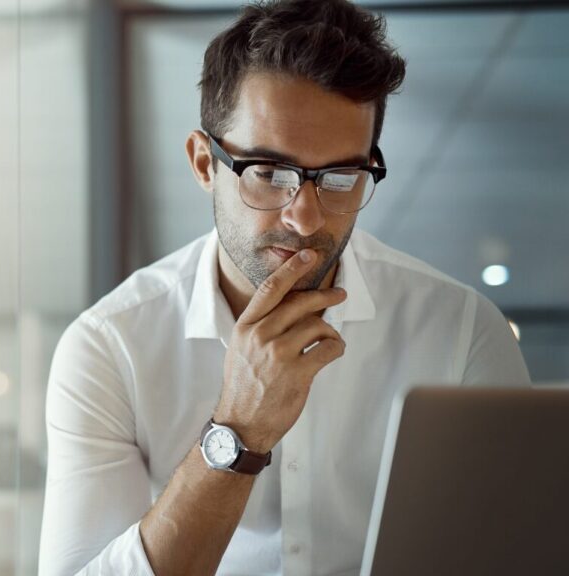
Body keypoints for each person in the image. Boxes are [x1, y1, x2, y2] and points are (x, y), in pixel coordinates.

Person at [39, 1, 529, 575]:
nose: (305, 218)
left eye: (341, 177)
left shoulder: (462, 333)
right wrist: (237, 431)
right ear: (204, 164)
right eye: (270, 174)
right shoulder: (110, 347)